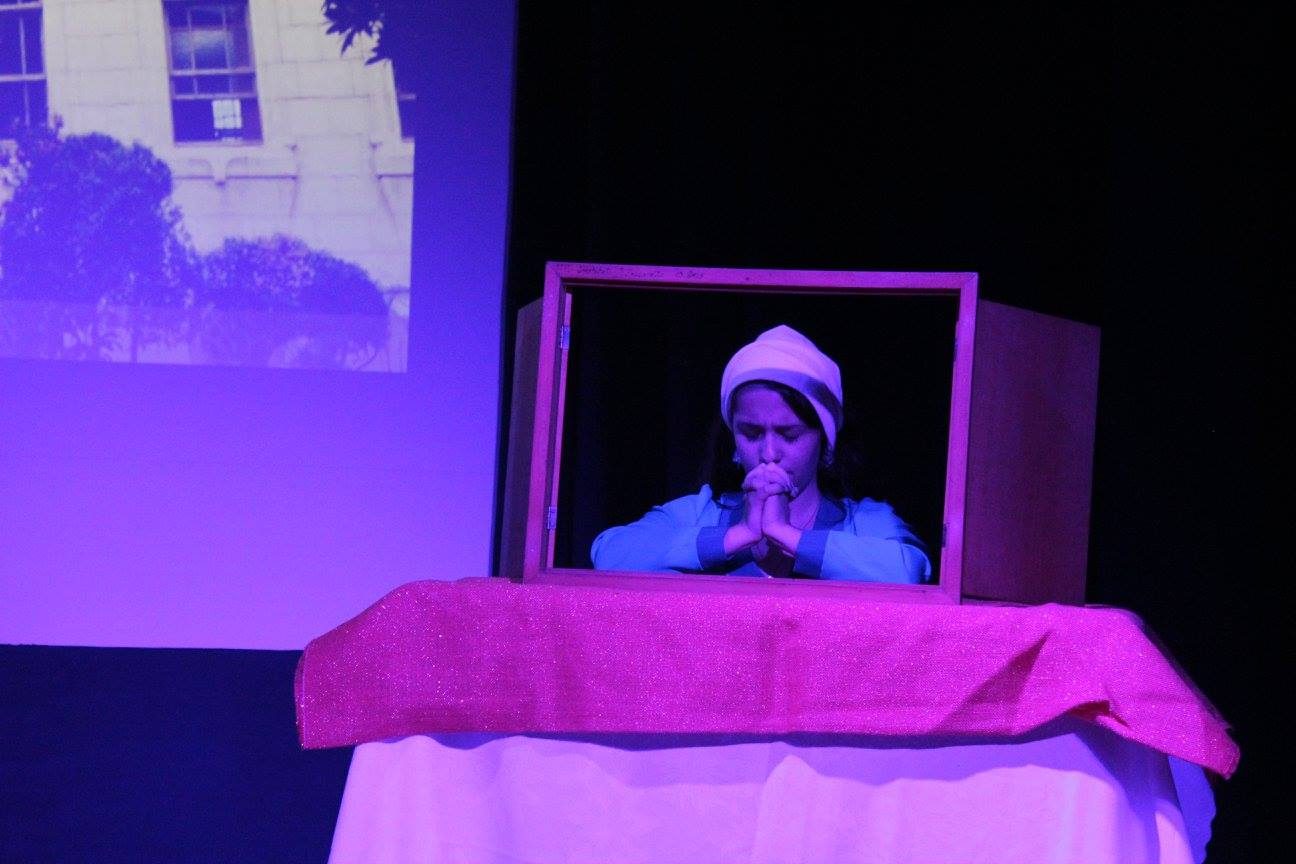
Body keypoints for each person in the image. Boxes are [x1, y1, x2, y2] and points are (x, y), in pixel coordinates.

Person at [590, 325, 931, 582]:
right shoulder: (700, 512)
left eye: (789, 434)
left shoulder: (864, 521)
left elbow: (909, 571)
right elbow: (609, 555)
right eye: (751, 434)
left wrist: (787, 535)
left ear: (825, 444)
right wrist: (738, 535)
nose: (769, 453)